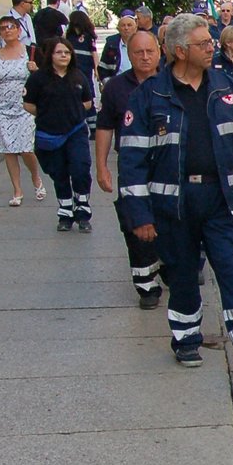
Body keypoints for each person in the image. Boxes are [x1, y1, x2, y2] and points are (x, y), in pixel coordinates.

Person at [119, 14, 233, 373]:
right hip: (174, 205)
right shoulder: (150, 96)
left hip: (222, 201)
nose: (211, 48)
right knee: (184, 274)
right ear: (179, 51)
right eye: (203, 44)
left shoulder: (227, 88)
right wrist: (139, 215)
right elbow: (132, 160)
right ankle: (187, 339)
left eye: (211, 42)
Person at [95, 29, 165, 307]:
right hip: (132, 167)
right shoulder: (116, 88)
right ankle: (146, 285)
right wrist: (101, 167)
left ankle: (171, 267)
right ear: (129, 54)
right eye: (138, 52)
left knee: (170, 222)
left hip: (167, 167)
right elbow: (104, 127)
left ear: (159, 52)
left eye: (150, 51)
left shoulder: (172, 83)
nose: (145, 57)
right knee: (135, 224)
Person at [23, 36, 94, 232]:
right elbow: (28, 104)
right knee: (59, 174)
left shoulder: (78, 76)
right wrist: (49, 113)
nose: (64, 55)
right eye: (59, 52)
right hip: (49, 135)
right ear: (50, 55)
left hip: (76, 132)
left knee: (80, 169)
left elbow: (88, 102)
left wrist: (71, 111)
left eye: (67, 52)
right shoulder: (38, 79)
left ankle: (83, 211)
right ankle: (65, 213)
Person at [0, 16, 46, 206]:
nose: (7, 30)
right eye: (3, 28)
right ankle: (17, 190)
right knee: (8, 149)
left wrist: (36, 69)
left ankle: (35, 177)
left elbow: (47, 76)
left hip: (25, 106)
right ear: (0, 33)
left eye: (11, 27)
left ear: (18, 30)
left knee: (26, 147)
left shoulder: (31, 52)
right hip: (2, 106)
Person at [65, 9, 100, 129]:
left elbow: (94, 52)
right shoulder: (69, 36)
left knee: (87, 94)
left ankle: (93, 126)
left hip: (85, 68)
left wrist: (97, 68)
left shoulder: (89, 36)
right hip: (72, 69)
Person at [98, 12, 138, 83]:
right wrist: (108, 84)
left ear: (135, 28)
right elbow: (102, 68)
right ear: (118, 29)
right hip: (117, 85)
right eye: (123, 25)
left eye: (129, 25)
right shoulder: (111, 44)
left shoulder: (142, 43)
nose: (126, 28)